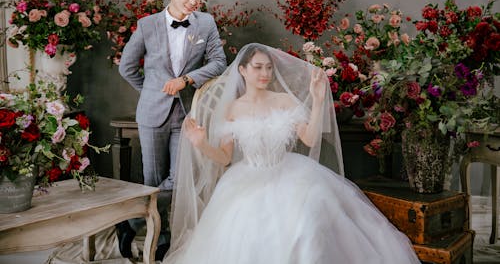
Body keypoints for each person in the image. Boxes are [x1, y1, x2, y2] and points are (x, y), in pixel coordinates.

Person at [161, 43, 420, 263]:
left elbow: (308, 138)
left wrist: (317, 102)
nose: (265, 73)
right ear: (242, 70)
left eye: (269, 67)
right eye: (258, 67)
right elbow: (225, 158)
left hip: (289, 173)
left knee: (310, 215)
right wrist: (201, 143)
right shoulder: (232, 109)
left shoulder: (283, 101)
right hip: (246, 179)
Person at [117, 0, 227, 260]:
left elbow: (219, 62)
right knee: (152, 179)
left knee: (179, 180)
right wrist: (151, 91)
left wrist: (186, 80)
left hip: (187, 112)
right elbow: (126, 67)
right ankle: (161, 238)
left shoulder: (206, 23)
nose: (194, 1)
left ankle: (129, 222)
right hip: (152, 112)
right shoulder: (147, 25)